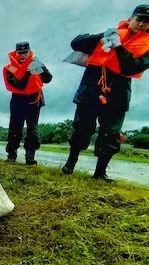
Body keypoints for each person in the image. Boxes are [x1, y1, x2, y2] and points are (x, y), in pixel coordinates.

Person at [62, 5, 149, 181]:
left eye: (147, 22)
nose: (141, 24)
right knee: (82, 127)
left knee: (111, 133)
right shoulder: (112, 33)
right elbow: (76, 42)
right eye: (139, 19)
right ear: (130, 18)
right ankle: (71, 163)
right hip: (92, 83)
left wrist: (118, 47)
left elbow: (132, 66)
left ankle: (100, 172)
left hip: (119, 88)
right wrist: (103, 36)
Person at [3, 41, 53, 165]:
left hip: (34, 99)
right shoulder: (10, 68)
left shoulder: (36, 63)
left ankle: (30, 156)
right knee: (15, 127)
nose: (23, 55)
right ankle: (11, 154)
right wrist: (28, 72)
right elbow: (18, 85)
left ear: (29, 51)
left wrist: (42, 69)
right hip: (18, 100)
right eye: (20, 53)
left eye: (25, 52)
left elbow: (48, 79)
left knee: (32, 129)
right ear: (16, 53)